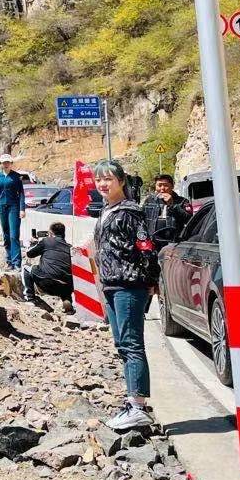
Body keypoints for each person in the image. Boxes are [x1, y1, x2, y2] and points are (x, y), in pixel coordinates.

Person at [89, 159, 158, 431]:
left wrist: (150, 280)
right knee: (121, 344)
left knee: (131, 344)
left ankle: (138, 406)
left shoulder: (129, 211)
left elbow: (145, 247)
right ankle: (132, 401)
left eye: (108, 179)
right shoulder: (107, 210)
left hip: (129, 284)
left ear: (121, 182)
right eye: (99, 180)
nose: (103, 184)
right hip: (112, 284)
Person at [0, 153, 27, 270]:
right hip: (1, 207)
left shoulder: (16, 176)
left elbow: (21, 194)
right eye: (4, 162)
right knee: (6, 234)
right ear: (1, 164)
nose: (6, 164)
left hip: (14, 207)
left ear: (11, 163)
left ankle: (17, 262)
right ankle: (9, 261)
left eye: (8, 162)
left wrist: (22, 209)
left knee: (14, 235)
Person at [22, 222, 73, 303]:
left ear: (51, 233)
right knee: (63, 274)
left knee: (26, 267)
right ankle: (67, 300)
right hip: (66, 287)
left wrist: (33, 244)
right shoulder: (69, 246)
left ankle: (29, 297)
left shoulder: (46, 241)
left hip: (47, 283)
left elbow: (29, 254)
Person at [142, 173, 191, 251]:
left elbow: (189, 220)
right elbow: (142, 219)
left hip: (174, 243)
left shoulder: (182, 201)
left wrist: (172, 205)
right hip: (153, 242)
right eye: (159, 185)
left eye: (165, 185)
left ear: (172, 186)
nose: (162, 188)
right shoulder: (149, 200)